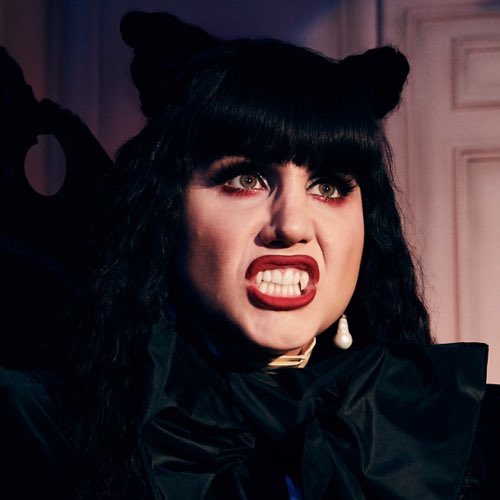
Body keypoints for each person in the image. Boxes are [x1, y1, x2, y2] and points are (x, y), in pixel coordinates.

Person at [1, 11, 499, 500]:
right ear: (166, 211)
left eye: (328, 186)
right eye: (246, 179)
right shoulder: (37, 426)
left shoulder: (465, 437)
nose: (293, 225)